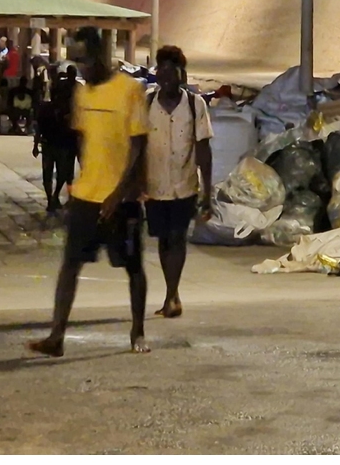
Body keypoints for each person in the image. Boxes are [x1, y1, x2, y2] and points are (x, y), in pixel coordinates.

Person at [28, 27, 150, 357]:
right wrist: (78, 187)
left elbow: (139, 147)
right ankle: (56, 336)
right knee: (70, 265)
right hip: (86, 195)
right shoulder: (84, 94)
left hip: (120, 200)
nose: (80, 68)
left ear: (100, 56)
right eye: (77, 61)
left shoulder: (130, 90)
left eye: (84, 60)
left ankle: (137, 331)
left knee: (133, 266)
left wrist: (120, 193)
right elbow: (85, 141)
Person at [142, 45, 213, 319]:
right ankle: (171, 294)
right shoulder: (146, 103)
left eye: (174, 71)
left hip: (184, 185)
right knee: (162, 239)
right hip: (155, 185)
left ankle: (172, 295)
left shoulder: (196, 106)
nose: (168, 76)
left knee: (177, 237)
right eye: (163, 70)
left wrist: (207, 193)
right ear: (157, 73)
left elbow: (204, 152)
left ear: (182, 75)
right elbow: (137, 145)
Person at [33, 82, 77, 213]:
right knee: (55, 173)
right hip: (54, 144)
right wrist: (36, 144)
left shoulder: (65, 109)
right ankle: (52, 198)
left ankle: (54, 196)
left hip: (57, 144)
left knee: (58, 173)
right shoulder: (52, 109)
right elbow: (39, 128)